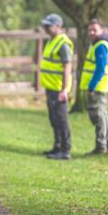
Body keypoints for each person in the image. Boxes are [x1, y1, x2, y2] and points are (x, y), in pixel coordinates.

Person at [80, 19, 108, 154]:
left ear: (101, 30)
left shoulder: (100, 45)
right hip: (99, 86)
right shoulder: (99, 44)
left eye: (94, 30)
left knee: (98, 116)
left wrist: (91, 86)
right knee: (103, 115)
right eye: (89, 30)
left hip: (97, 87)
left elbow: (100, 68)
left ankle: (101, 146)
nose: (91, 32)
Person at [39, 13, 73, 160]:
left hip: (59, 88)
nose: (45, 28)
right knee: (53, 119)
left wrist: (64, 90)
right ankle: (57, 146)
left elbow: (67, 67)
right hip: (50, 87)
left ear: (58, 26)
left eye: (48, 25)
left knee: (61, 119)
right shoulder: (51, 41)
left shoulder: (63, 43)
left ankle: (65, 150)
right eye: (45, 25)